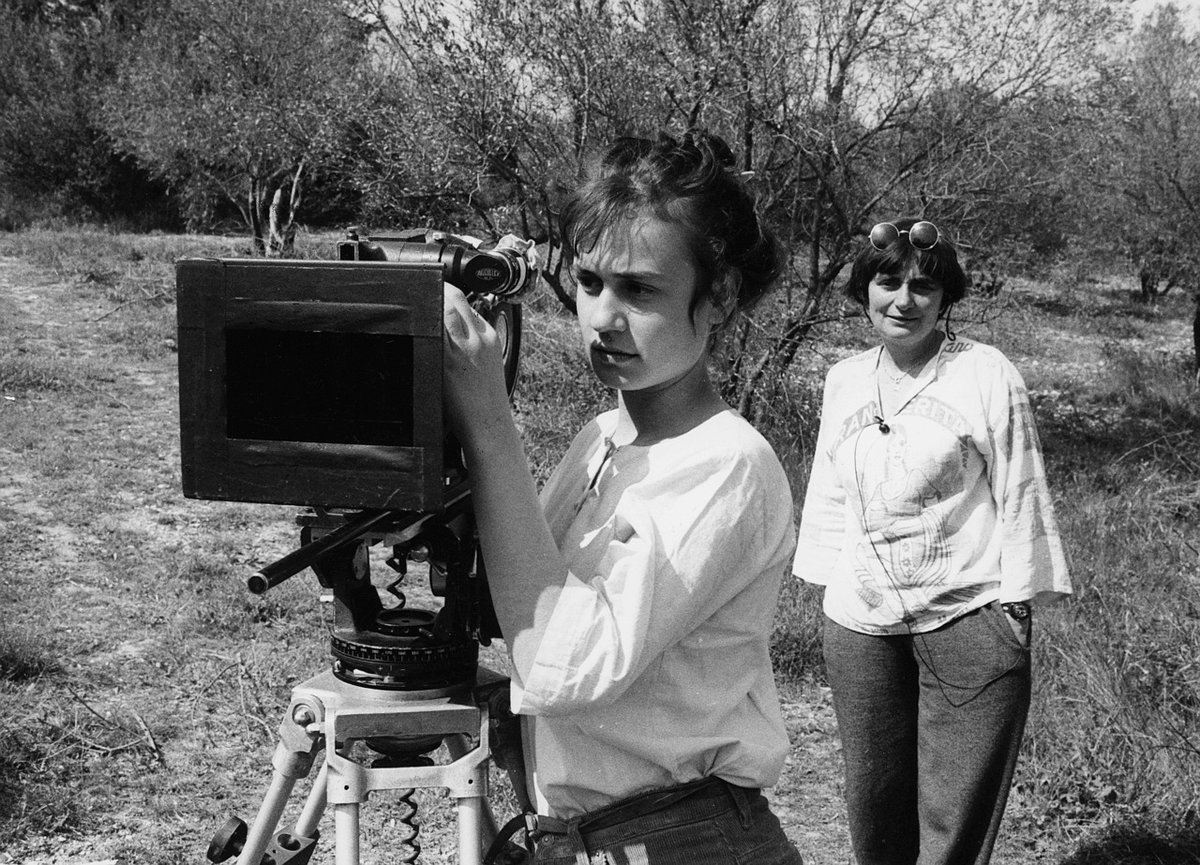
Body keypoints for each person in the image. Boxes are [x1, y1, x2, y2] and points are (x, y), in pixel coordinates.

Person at [441, 129, 805, 865]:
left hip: (684, 838)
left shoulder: (727, 465)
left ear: (721, 295)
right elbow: (522, 604)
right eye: (588, 282)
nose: (603, 317)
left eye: (639, 289)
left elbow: (562, 666)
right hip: (592, 837)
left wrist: (488, 422)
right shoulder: (603, 434)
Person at [792, 217, 1072, 865]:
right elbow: (831, 490)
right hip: (861, 628)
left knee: (952, 831)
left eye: (924, 286)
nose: (904, 300)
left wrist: (1016, 601)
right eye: (888, 281)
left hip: (968, 618)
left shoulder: (985, 372)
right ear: (865, 289)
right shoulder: (845, 379)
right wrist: (828, 587)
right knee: (875, 817)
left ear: (946, 297)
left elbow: (1022, 482)